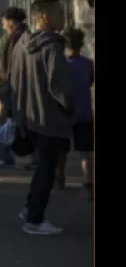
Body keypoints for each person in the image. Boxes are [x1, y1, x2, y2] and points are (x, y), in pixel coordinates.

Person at [10, 0, 73, 235]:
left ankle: (29, 208)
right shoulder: (52, 46)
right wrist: (70, 108)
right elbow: (59, 87)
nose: (63, 17)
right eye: (59, 12)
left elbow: (13, 82)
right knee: (47, 170)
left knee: (41, 168)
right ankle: (35, 220)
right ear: (45, 17)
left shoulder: (20, 44)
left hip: (28, 119)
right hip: (50, 120)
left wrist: (18, 113)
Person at [54, 27, 94, 199]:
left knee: (62, 150)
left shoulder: (61, 64)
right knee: (86, 151)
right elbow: (90, 81)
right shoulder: (87, 64)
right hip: (85, 113)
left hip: (65, 113)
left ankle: (61, 178)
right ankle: (88, 183)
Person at [0, 7, 28, 168]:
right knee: (11, 122)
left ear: (12, 22)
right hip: (12, 88)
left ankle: (4, 156)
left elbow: (15, 67)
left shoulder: (19, 39)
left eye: (4, 21)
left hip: (14, 89)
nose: (3, 25)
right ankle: (5, 155)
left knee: (10, 122)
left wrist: (7, 86)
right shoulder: (16, 37)